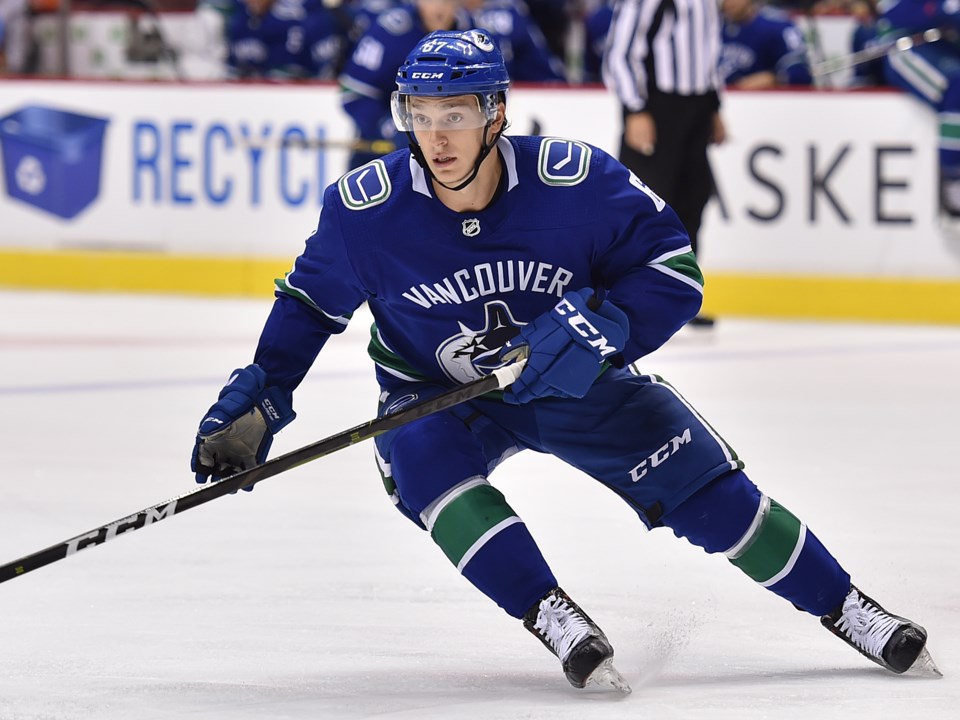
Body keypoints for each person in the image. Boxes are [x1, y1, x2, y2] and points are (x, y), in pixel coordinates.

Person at [191, 29, 940, 691]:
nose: (436, 137)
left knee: (710, 497)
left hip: (577, 382)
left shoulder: (574, 182)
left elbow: (674, 271)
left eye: (454, 115)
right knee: (420, 462)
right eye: (420, 117)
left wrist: (598, 329)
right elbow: (309, 306)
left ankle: (849, 607)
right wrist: (265, 392)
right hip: (441, 393)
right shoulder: (365, 209)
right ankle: (549, 612)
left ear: (496, 114)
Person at [602, 0, 726, 328]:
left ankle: (680, 295)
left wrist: (713, 106)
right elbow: (620, 53)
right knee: (645, 208)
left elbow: (708, 45)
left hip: (696, 107)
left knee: (692, 200)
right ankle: (626, 300)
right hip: (658, 106)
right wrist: (635, 109)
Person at [339, 0, 468, 169]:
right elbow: (352, 92)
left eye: (446, 1)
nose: (439, 9)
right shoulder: (389, 31)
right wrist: (391, 127)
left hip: (447, 156)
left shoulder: (469, 35)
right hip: (380, 156)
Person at [874, 0, 960, 218]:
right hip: (907, 44)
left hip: (945, 43)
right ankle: (953, 179)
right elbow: (895, 16)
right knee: (957, 86)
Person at [719, 0, 813, 88]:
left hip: (761, 101)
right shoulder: (713, 26)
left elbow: (801, 74)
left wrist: (774, 78)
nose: (729, 2)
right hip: (715, 100)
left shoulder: (778, 25)